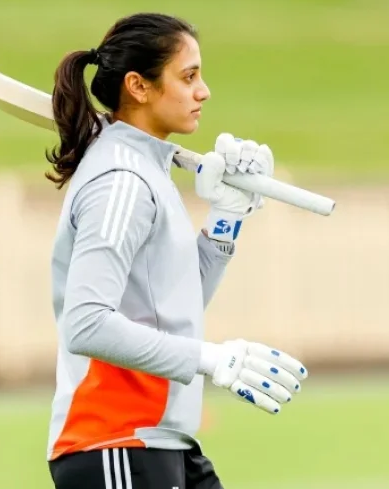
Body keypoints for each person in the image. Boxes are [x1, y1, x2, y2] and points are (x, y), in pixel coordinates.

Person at [43, 12, 309, 489]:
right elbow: (86, 323)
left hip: (162, 442)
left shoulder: (147, 170)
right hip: (115, 441)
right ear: (138, 86)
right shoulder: (121, 181)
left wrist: (227, 217)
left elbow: (174, 304)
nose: (203, 91)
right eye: (188, 77)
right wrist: (211, 359)